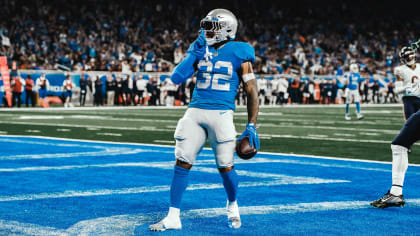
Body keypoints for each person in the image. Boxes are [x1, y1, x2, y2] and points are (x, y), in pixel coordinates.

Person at [149, 9, 260, 231]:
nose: (207, 31)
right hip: (195, 112)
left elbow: (251, 90)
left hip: (222, 114)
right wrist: (193, 51)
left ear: (227, 30)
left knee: (225, 167)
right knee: (182, 161)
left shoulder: (241, 51)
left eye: (212, 27)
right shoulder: (200, 49)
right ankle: (173, 217)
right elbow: (177, 78)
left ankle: (233, 205)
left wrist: (251, 124)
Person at [393, 46, 420, 121]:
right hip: (409, 99)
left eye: (408, 57)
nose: (407, 59)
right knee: (410, 124)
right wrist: (407, 87)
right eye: (405, 58)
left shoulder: (419, 67)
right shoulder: (400, 70)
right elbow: (397, 90)